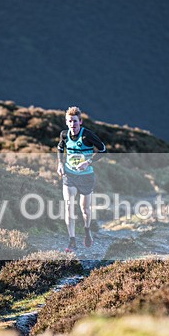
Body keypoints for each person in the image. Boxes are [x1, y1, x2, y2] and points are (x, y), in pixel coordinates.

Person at [57, 106, 107, 251]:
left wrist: (88, 162)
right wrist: (60, 163)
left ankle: (87, 230)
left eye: (75, 121)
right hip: (70, 175)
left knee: (85, 210)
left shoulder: (88, 136)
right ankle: (72, 240)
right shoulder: (64, 135)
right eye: (69, 121)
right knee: (68, 206)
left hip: (86, 177)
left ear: (80, 122)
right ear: (66, 122)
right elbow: (60, 148)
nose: (72, 124)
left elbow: (103, 150)